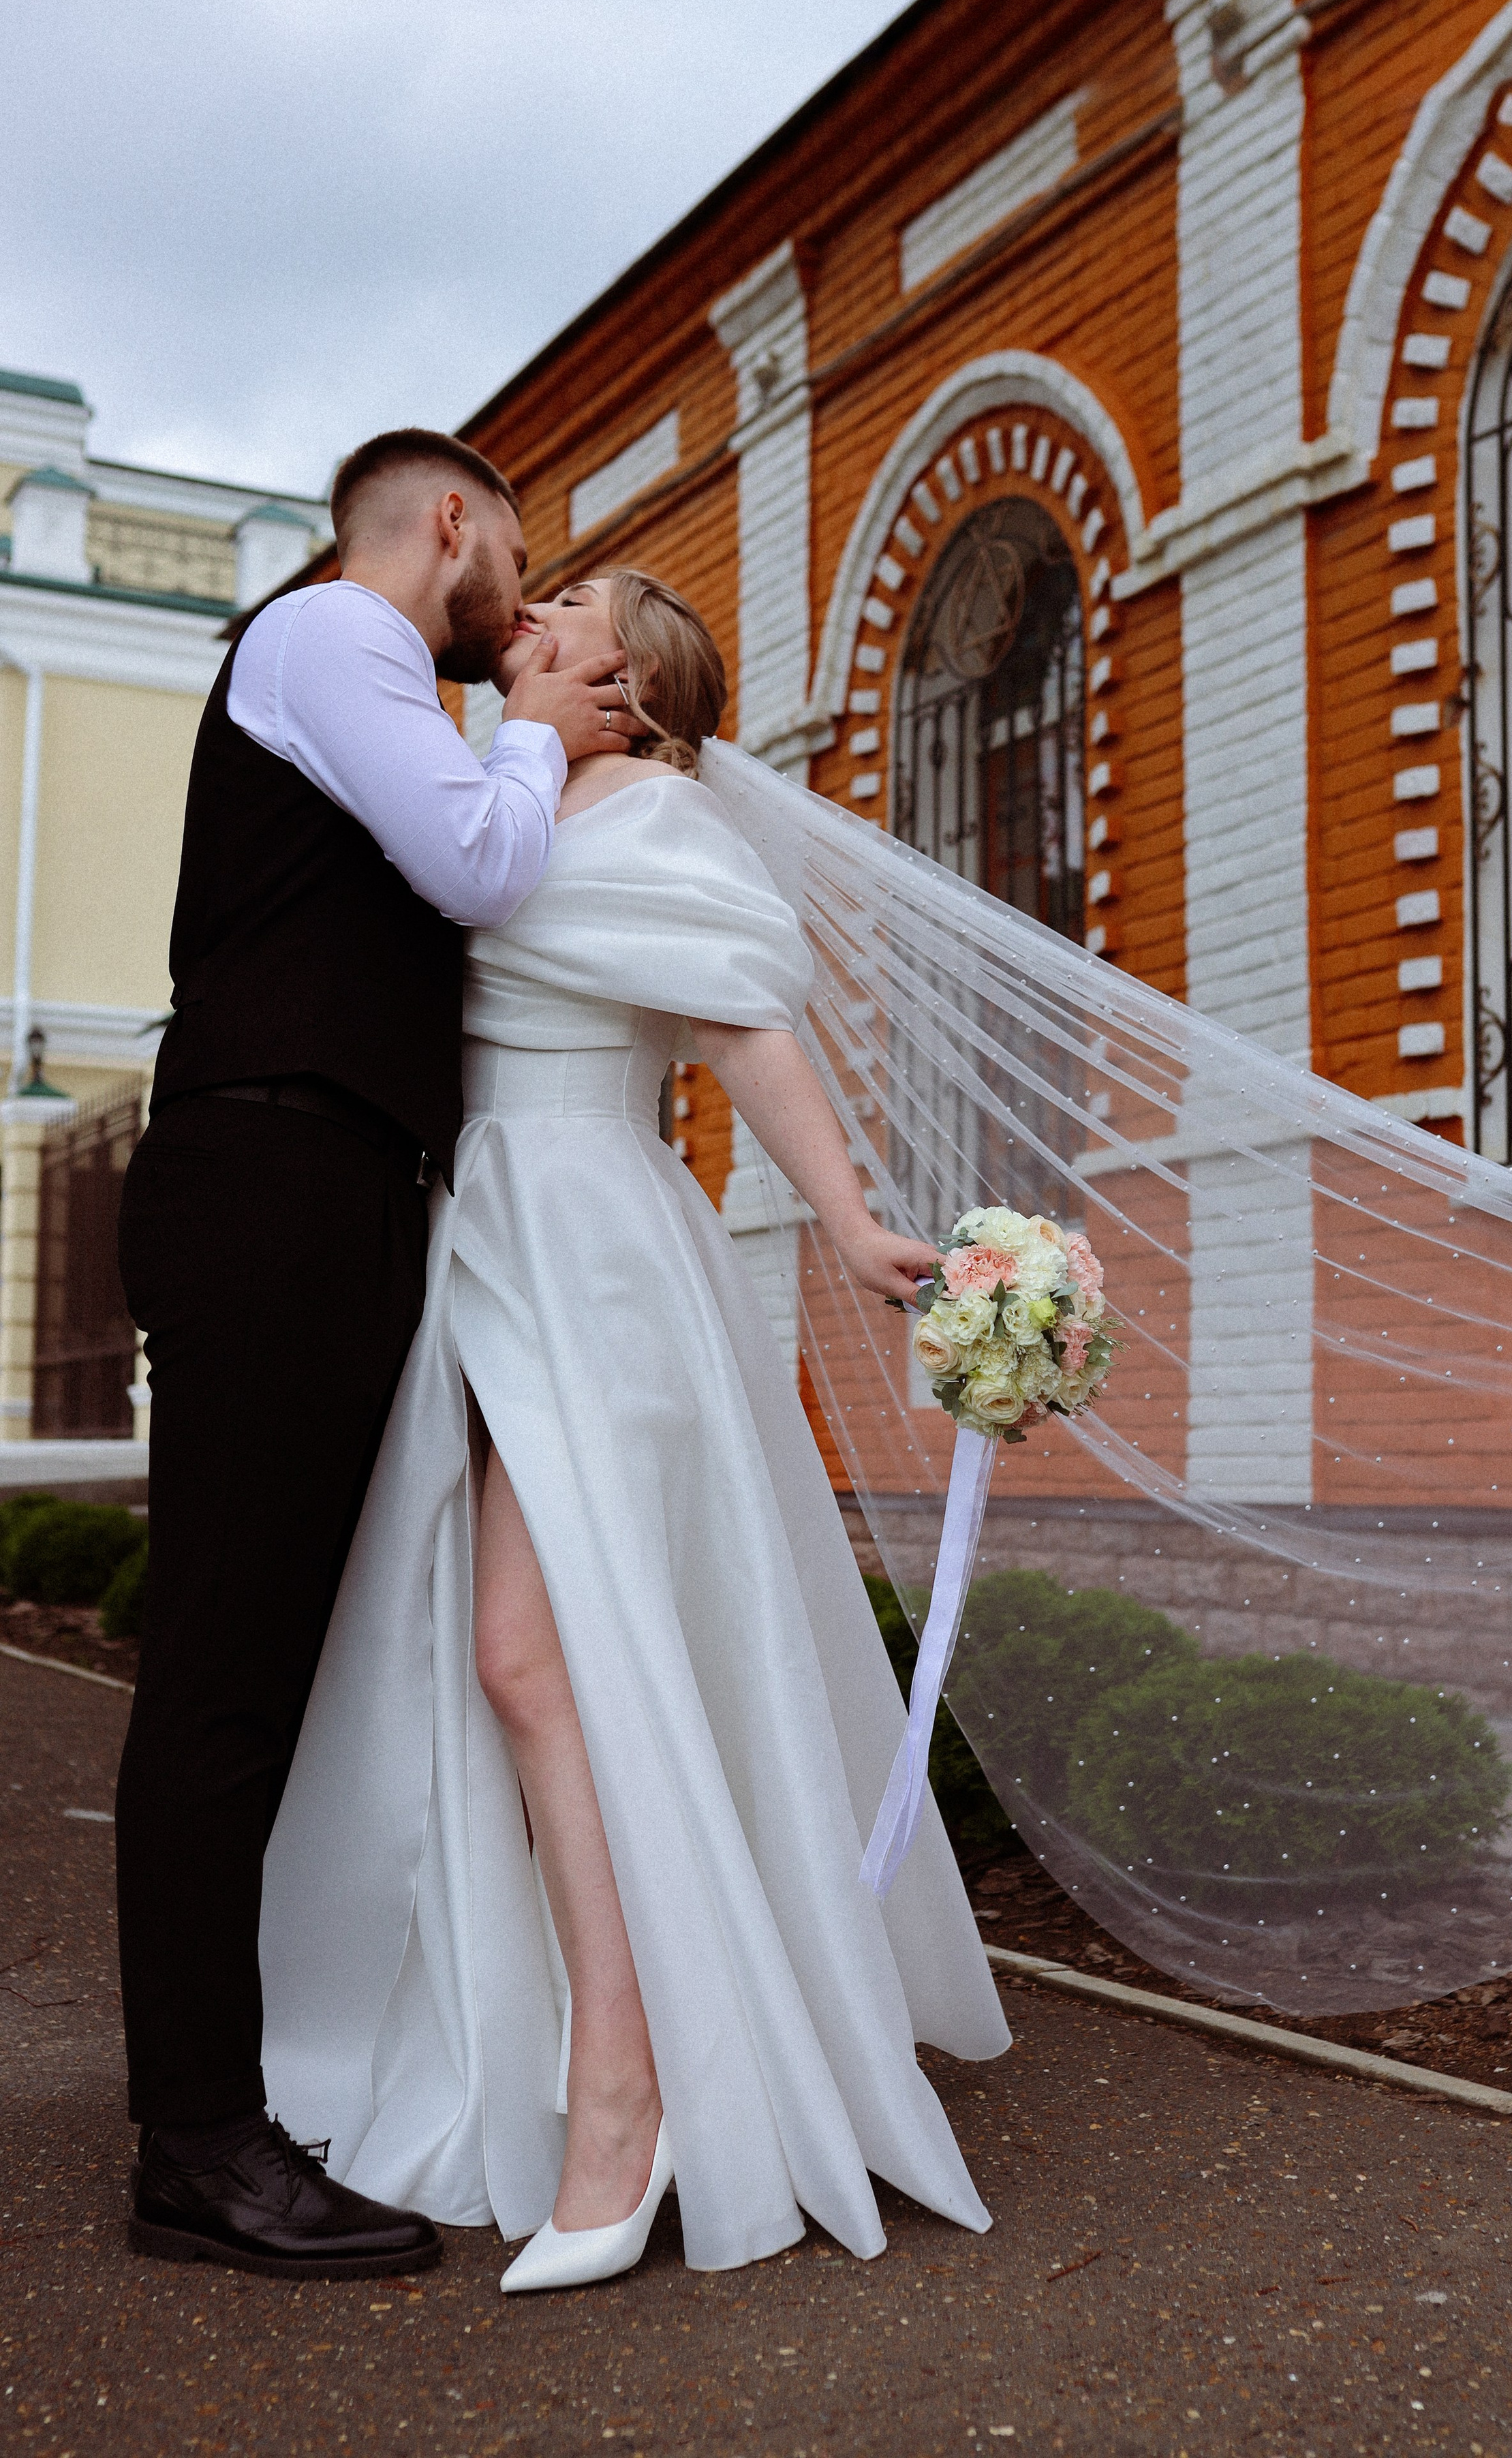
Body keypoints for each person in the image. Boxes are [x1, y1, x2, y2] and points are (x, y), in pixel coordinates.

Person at [258, 568, 1010, 2287]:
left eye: (572, 601)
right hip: (498, 1239)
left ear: (634, 676)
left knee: (532, 1659)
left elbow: (747, 1021)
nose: (528, 603)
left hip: (591, 1245)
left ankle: (628, 2082)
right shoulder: (503, 792)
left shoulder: (649, 811)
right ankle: (612, 2054)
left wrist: (840, 1215)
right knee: (524, 1661)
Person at [117, 431, 638, 2280]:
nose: (523, 586)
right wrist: (541, 739)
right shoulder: (340, 635)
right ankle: (197, 2143)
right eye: (516, 549)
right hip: (274, 1182)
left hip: (325, 1191)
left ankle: (219, 2102)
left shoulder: (368, 674)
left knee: (258, 1669)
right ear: (449, 525)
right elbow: (481, 865)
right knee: (223, 1678)